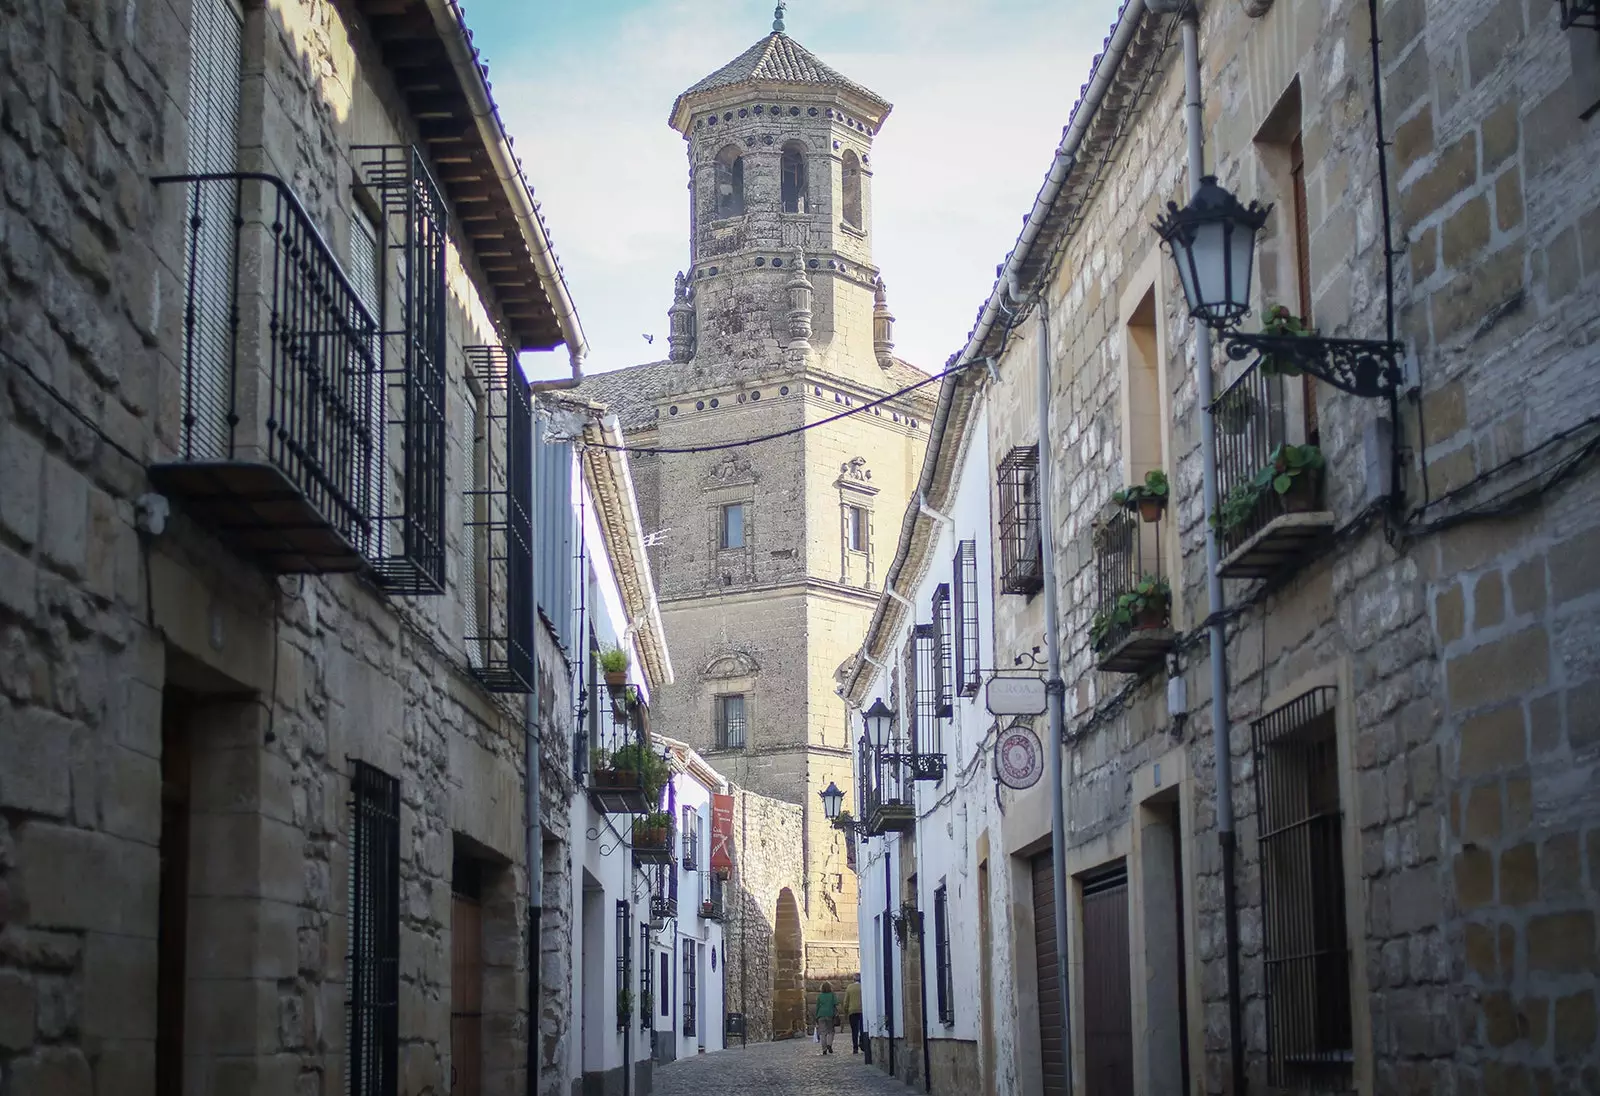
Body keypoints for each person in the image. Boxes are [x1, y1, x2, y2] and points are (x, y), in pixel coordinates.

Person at [815, 981, 840, 1055]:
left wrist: (816, 1016)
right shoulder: (832, 995)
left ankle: (824, 1049)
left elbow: (817, 1007)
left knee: (823, 1033)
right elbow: (836, 1003)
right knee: (831, 1031)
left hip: (821, 1015)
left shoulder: (819, 996)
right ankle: (829, 1044)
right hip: (830, 1015)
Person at [845, 975, 864, 1054]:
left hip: (852, 1011)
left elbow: (846, 1001)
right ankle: (863, 1043)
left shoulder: (849, 987)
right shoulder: (863, 986)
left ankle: (855, 1047)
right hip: (862, 1010)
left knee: (854, 1030)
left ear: (853, 979)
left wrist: (846, 1010)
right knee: (863, 1029)